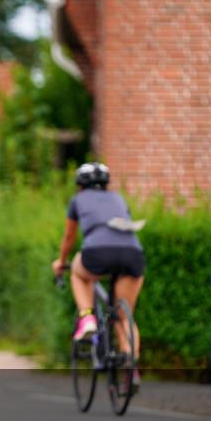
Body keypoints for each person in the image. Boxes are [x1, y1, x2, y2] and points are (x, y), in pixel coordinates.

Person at [52, 162, 143, 386]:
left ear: (80, 185)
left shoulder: (77, 200)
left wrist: (61, 262)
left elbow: (69, 237)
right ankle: (131, 366)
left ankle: (87, 318)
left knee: (77, 272)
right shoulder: (118, 198)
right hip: (132, 253)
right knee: (124, 316)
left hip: (97, 252)